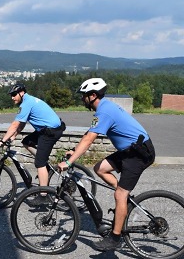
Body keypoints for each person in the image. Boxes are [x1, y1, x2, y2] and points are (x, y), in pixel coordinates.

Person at [57, 78, 155, 252]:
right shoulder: (103, 108)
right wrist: (74, 150)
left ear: (93, 95)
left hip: (139, 153)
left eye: (84, 96)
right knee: (100, 168)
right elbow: (90, 133)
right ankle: (126, 198)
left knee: (119, 195)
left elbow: (89, 140)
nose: (82, 99)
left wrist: (68, 162)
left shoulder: (104, 111)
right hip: (130, 150)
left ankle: (115, 239)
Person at [0, 83, 65, 205]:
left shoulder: (26, 103)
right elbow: (21, 124)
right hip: (49, 129)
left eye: (14, 95)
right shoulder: (29, 100)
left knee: (39, 163)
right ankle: (45, 166)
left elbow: (15, 125)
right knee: (27, 142)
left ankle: (43, 196)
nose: (12, 98)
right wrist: (13, 137)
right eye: (11, 95)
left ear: (21, 93)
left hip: (50, 132)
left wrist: (3, 140)